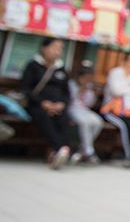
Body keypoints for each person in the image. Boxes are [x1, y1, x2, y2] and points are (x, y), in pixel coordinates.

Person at [20, 37, 72, 170]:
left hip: (57, 105)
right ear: (44, 48)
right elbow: (26, 89)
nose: (58, 51)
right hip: (37, 105)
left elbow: (67, 92)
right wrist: (42, 102)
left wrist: (61, 104)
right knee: (43, 117)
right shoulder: (33, 66)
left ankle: (59, 151)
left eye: (60, 48)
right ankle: (61, 149)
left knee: (64, 118)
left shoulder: (61, 68)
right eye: (55, 47)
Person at [67, 59, 103, 165]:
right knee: (84, 123)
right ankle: (89, 152)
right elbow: (69, 100)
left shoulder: (89, 87)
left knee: (97, 122)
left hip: (85, 110)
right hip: (72, 109)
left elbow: (89, 104)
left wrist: (92, 93)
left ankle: (83, 149)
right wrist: (80, 90)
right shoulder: (71, 84)